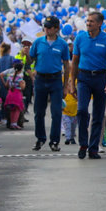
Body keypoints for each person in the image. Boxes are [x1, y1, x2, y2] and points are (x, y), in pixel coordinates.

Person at [68, 11, 106, 160]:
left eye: (91, 21)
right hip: (83, 77)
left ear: (99, 24)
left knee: (98, 114)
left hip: (101, 77)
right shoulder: (80, 37)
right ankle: (83, 144)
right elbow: (75, 61)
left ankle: (93, 148)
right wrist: (72, 83)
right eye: (87, 21)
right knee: (82, 110)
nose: (88, 23)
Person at [29, 16, 71, 152]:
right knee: (39, 112)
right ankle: (40, 138)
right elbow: (30, 59)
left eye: (49, 27)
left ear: (56, 28)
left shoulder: (63, 44)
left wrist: (66, 86)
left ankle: (54, 141)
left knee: (56, 112)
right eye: (45, 26)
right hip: (40, 79)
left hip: (56, 80)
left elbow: (66, 65)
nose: (46, 29)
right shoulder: (38, 42)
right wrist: (31, 73)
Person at [1, 61, 26, 130]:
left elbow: (6, 85)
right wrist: (24, 83)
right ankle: (15, 123)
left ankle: (12, 123)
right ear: (21, 70)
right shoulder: (20, 78)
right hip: (17, 94)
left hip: (10, 94)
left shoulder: (10, 77)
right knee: (17, 110)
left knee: (12, 109)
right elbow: (22, 87)